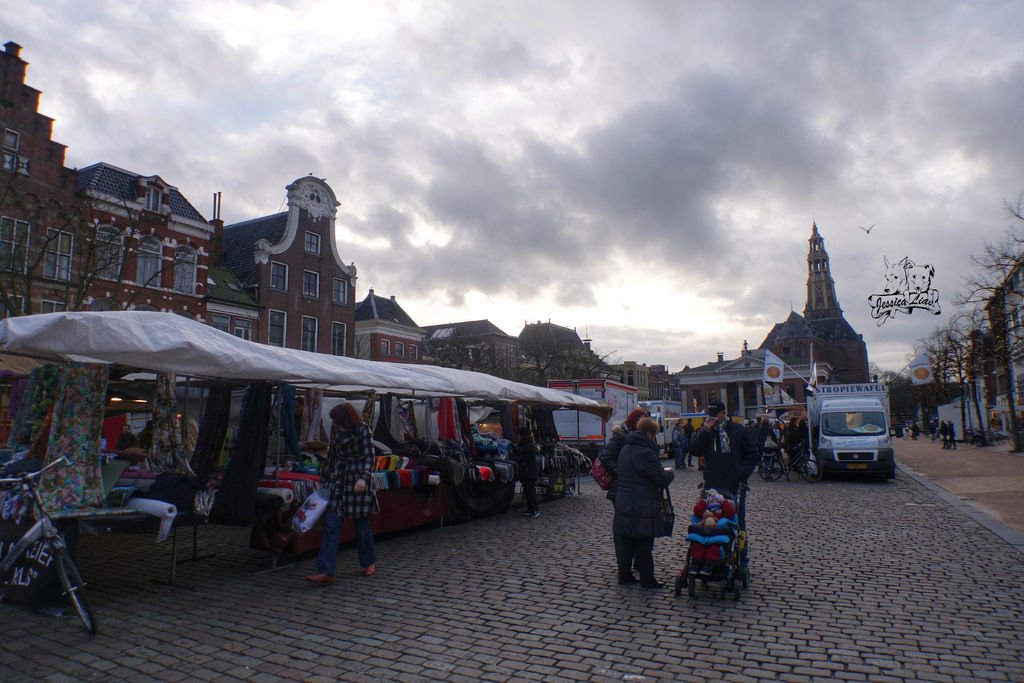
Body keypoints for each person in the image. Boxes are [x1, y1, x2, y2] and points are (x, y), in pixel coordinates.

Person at [308, 403, 377, 586]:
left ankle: (368, 561)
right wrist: (323, 479)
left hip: (356, 482)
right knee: (331, 524)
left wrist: (363, 478)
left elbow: (369, 457)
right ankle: (326, 570)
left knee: (362, 525)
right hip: (338, 480)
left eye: (338, 420)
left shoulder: (363, 430)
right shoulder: (336, 429)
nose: (336, 424)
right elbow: (331, 455)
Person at [687, 401, 759, 550]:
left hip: (734, 484)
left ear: (724, 413)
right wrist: (705, 431)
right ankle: (714, 555)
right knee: (710, 520)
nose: (714, 418)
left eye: (716, 415)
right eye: (711, 415)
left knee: (737, 522)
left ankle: (741, 558)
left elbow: (752, 455)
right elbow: (694, 450)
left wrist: (741, 473)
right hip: (713, 485)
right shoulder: (707, 432)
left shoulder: (739, 431)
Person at [612, 416, 674, 588]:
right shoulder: (646, 453)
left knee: (626, 541)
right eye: (654, 434)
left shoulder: (625, 449)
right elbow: (660, 478)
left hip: (624, 500)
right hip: (642, 502)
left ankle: (624, 576)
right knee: (644, 542)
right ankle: (647, 579)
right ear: (649, 433)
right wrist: (670, 473)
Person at [514, 429, 540, 518]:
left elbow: (527, 458)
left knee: (530, 492)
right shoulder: (525, 445)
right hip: (527, 472)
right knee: (528, 492)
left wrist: (516, 458)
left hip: (529, 472)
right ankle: (530, 509)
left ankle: (534, 510)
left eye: (519, 435)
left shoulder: (527, 446)